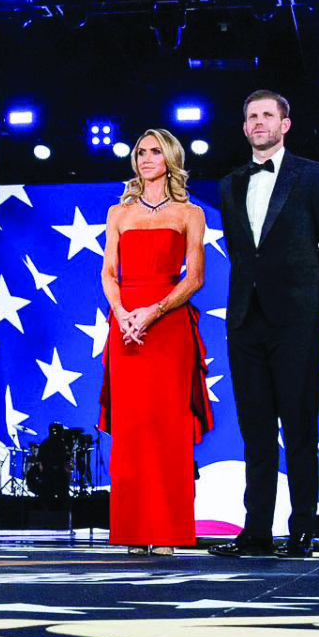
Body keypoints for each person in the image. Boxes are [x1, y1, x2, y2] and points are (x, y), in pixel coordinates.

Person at [209, 91, 319, 559]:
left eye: (268, 115)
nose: (259, 122)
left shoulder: (313, 175)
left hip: (297, 323)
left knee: (300, 426)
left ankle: (303, 530)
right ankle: (256, 532)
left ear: (286, 124)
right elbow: (241, 252)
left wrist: (314, 310)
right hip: (246, 322)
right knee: (255, 431)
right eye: (251, 116)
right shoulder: (230, 183)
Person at [98, 128, 213, 557]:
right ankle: (131, 530)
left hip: (167, 328)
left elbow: (195, 277)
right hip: (125, 327)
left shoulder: (190, 213)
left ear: (170, 159)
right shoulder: (118, 213)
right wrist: (123, 311)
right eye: (141, 152)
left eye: (155, 152)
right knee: (131, 430)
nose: (146, 158)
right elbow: (109, 272)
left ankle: (167, 532)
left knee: (168, 429)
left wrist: (154, 311)